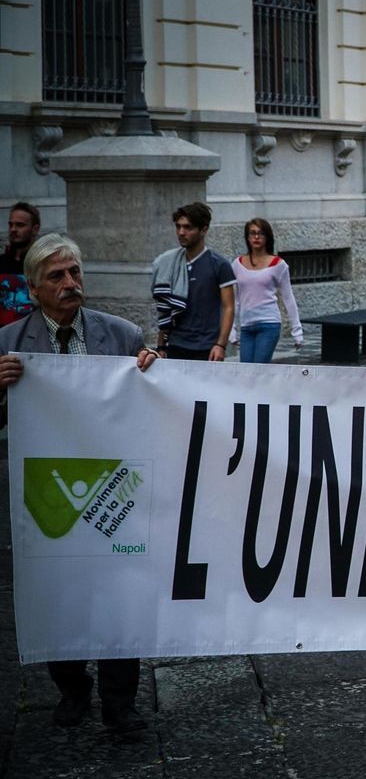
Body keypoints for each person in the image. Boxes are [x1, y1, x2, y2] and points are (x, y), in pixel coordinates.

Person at [0, 233, 157, 734]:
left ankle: (121, 702)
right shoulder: (8, 344)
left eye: (75, 273)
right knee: (57, 591)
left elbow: (156, 409)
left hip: (115, 487)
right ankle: (71, 689)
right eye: (57, 277)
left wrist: (156, 374)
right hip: (49, 492)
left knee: (120, 594)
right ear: (33, 289)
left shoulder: (123, 335)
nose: (70, 284)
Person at [152, 202, 235, 360]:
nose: (181, 232)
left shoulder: (219, 265)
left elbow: (229, 307)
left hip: (207, 346)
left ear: (203, 229)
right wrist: (161, 345)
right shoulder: (169, 263)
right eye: (178, 227)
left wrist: (221, 345)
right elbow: (166, 309)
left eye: (188, 227)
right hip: (176, 344)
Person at [230, 218, 303, 363]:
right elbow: (235, 300)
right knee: (245, 371)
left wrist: (297, 331)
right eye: (252, 233)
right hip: (246, 325)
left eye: (261, 233)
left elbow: (288, 298)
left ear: (267, 237)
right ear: (247, 237)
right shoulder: (237, 263)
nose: (256, 237)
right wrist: (232, 329)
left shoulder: (278, 264)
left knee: (259, 369)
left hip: (268, 324)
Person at [0, 201, 39, 325]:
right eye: (10, 225)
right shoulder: (1, 262)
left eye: (20, 225)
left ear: (35, 229)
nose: (13, 229)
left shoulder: (42, 264)